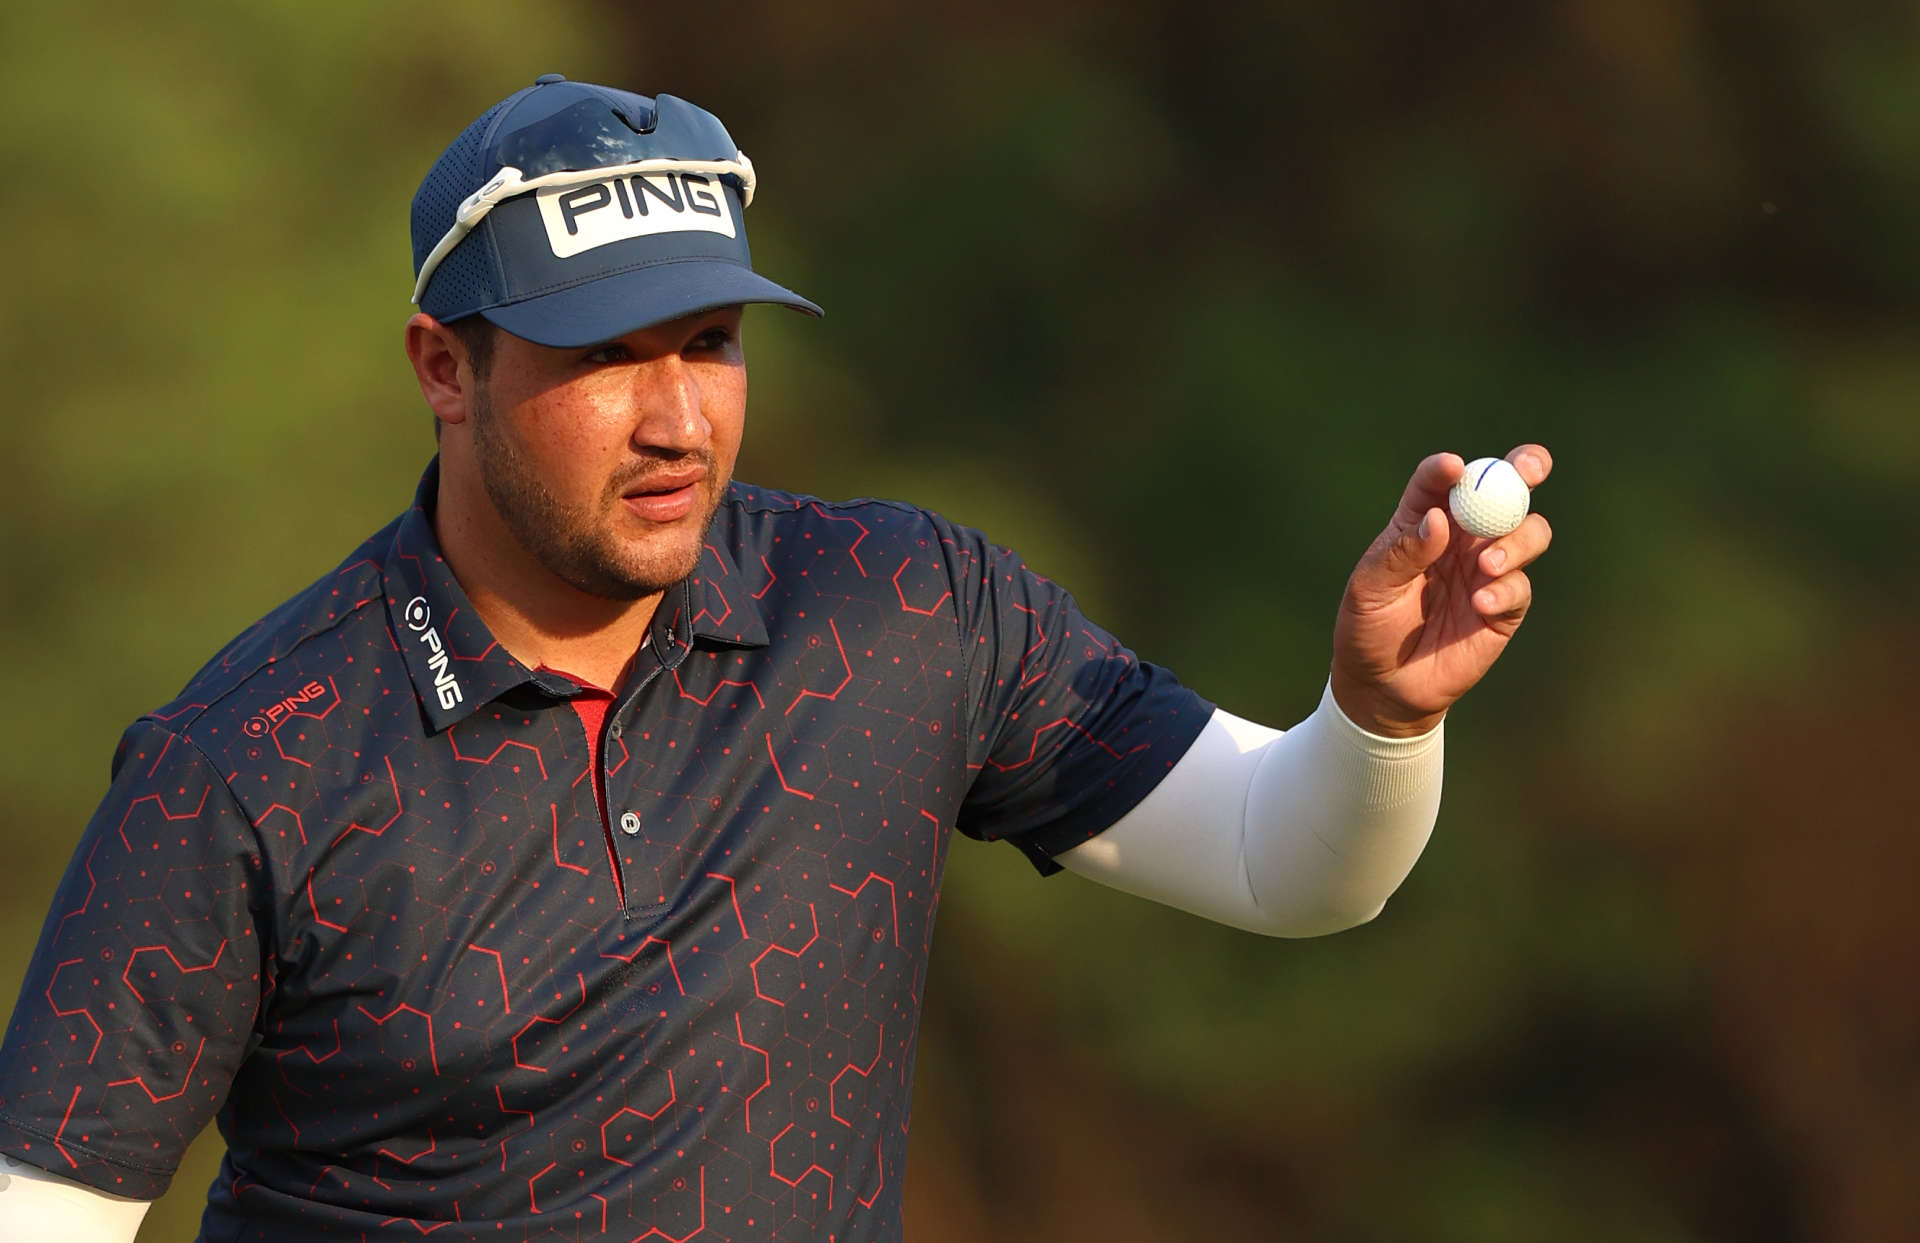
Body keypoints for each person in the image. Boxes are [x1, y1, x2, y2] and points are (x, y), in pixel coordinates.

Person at [0, 76, 1552, 1241]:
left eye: (710, 343)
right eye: (605, 357)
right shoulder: (251, 755)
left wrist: (1376, 715)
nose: (678, 417)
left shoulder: (899, 610)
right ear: (443, 368)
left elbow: (1292, 867)